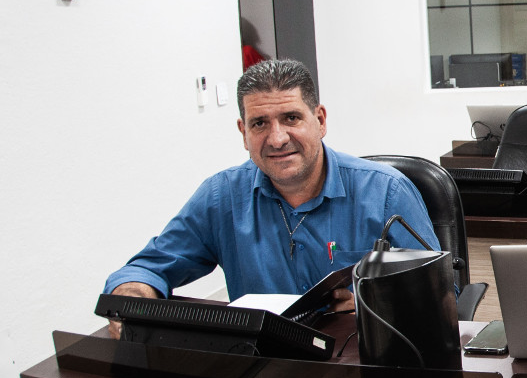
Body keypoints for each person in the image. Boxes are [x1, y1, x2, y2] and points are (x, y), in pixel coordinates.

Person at [104, 59, 439, 336]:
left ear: (319, 120)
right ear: (243, 132)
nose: (277, 139)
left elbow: (441, 294)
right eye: (260, 123)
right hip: (265, 369)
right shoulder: (222, 197)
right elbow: (148, 267)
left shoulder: (386, 192)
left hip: (363, 363)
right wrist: (132, 300)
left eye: (291, 118)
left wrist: (378, 303)